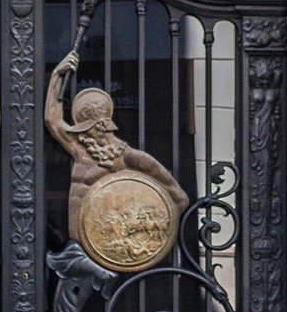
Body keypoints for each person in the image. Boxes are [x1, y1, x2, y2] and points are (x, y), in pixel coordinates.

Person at [45, 51, 189, 247]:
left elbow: (179, 199)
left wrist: (152, 234)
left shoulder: (130, 156)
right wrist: (56, 76)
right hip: (75, 241)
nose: (83, 133)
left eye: (87, 128)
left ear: (103, 126)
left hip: (108, 245)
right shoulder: (80, 148)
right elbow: (52, 121)